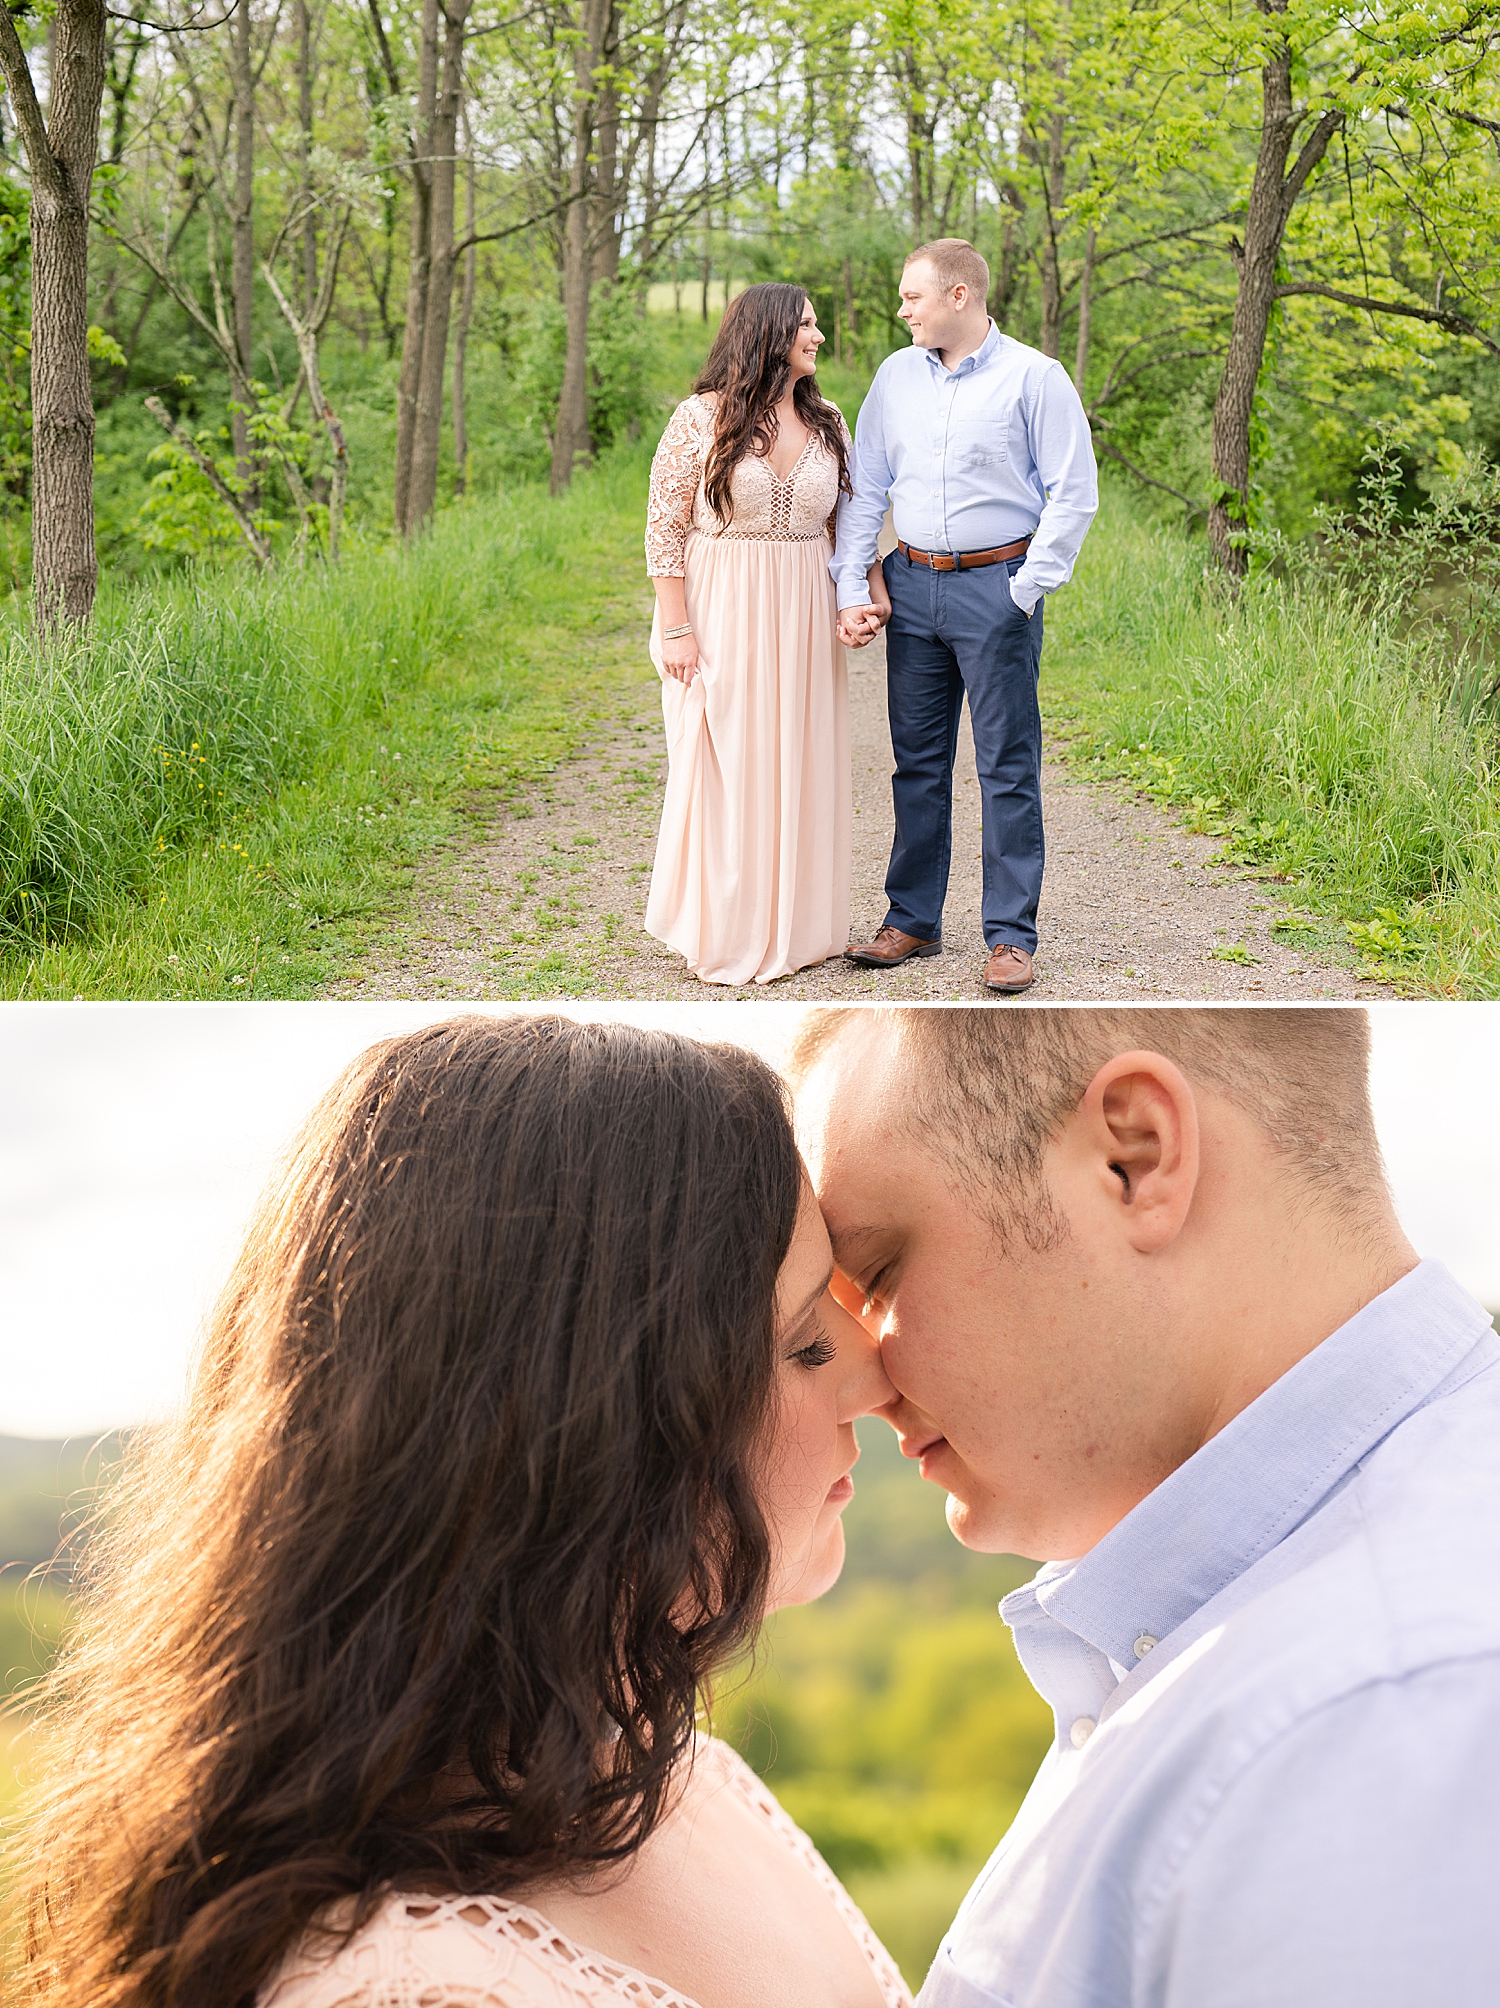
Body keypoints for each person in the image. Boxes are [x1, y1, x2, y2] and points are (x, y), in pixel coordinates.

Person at [16, 1015, 910, 2008]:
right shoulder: (409, 1989)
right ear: (587, 1433)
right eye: (801, 1342)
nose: (875, 1373)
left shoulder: (675, 1781)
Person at [792, 1005, 1500, 2007]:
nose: (864, 1369)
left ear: (1135, 1156)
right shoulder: (1283, 1660)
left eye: (883, 1273)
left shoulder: (1386, 1720)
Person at [832, 241, 1098, 995]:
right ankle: (911, 919)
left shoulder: (1034, 378)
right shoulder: (895, 377)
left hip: (997, 586)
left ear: (958, 296)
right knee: (916, 763)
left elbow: (1072, 492)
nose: (901, 310)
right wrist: (855, 581)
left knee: (1006, 765)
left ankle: (1010, 936)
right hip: (913, 583)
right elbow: (866, 490)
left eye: (912, 297)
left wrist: (1024, 589)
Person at [644, 283, 887, 985]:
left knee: (801, 757)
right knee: (723, 761)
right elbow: (664, 529)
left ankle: (798, 927)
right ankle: (724, 927)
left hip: (805, 606)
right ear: (770, 333)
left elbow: (850, 528)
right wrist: (678, 628)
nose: (818, 335)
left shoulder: (829, 420)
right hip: (719, 602)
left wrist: (865, 601)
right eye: (807, 324)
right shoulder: (700, 418)